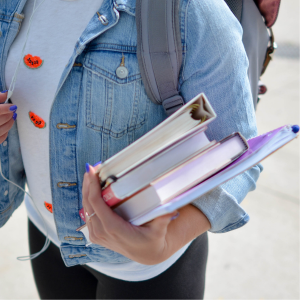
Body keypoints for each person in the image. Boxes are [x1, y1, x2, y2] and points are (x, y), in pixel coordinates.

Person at [0, 0, 262, 298]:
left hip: (149, 270)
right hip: (47, 234)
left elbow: (238, 152)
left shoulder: (191, 9)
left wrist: (166, 242)